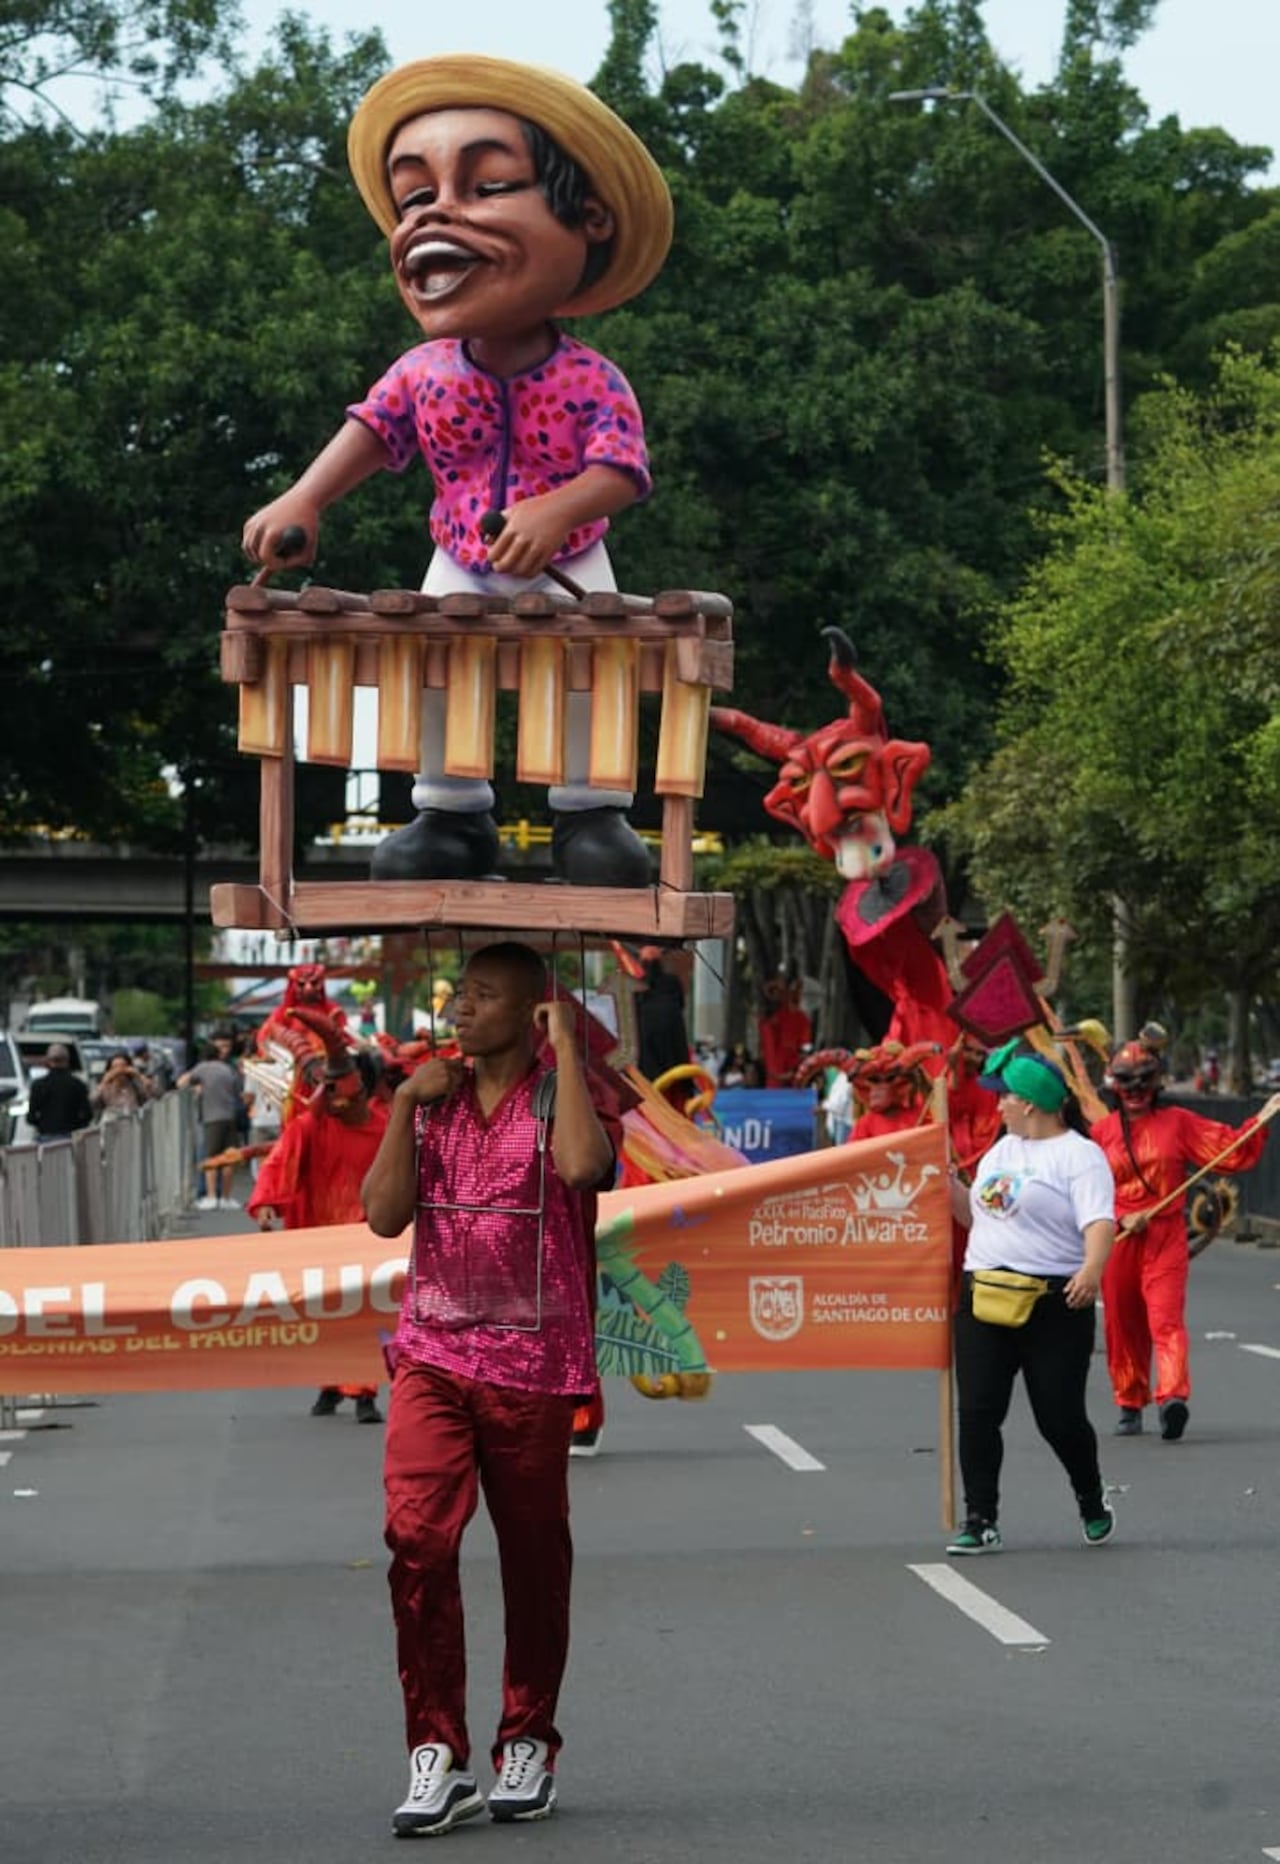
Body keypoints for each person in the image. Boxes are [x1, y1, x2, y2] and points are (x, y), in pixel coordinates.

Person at [242, 55, 674, 889]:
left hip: (573, 560)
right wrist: (304, 497)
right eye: (415, 197)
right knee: (439, 667)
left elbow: (620, 469)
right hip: (458, 560)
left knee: (591, 673)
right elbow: (371, 429)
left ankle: (590, 812)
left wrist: (557, 510)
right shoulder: (423, 371)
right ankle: (447, 809)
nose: (436, 213)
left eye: (487, 185)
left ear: (587, 220)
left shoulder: (592, 378)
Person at [362, 941, 619, 1836]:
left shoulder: (561, 1097)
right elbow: (383, 1215)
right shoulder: (429, 1103)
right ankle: (436, 1750)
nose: (460, 1010)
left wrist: (572, 1056)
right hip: (433, 1354)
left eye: (482, 997)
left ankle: (527, 1738)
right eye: (459, 995)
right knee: (415, 1540)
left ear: (529, 1012)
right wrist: (401, 1104)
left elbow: (585, 1170)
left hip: (534, 1366)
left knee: (532, 1556)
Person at [946, 1038, 1117, 1556]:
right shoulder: (1002, 1150)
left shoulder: (1080, 1157)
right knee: (977, 1412)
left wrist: (1091, 1269)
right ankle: (981, 1518)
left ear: (1030, 1103)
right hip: (984, 1296)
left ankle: (1090, 1498)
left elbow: (1100, 1221)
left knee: (1059, 1417)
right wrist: (945, 1182)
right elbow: (978, 1217)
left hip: (1053, 1303)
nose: (997, 1105)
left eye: (1003, 1097)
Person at [1092, 1032, 1280, 1441]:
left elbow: (1227, 1149)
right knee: (1122, 1321)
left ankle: (1171, 1397)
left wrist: (1260, 1121)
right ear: (1114, 1085)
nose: (1137, 1089)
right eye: (1127, 1080)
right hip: (1119, 1238)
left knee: (1166, 1318)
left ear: (1156, 1081)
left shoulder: (1178, 1123)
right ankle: (1129, 1400)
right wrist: (1122, 1217)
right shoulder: (1101, 1134)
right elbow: (1086, 1192)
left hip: (1164, 1235)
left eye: (1144, 1079)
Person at [248, 1050, 388, 1425]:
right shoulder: (311, 1126)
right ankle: (329, 1384)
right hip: (320, 1239)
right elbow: (280, 1160)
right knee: (326, 1315)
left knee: (364, 1314)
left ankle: (363, 1391)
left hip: (367, 1238)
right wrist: (266, 1202)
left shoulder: (387, 1128)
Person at [178, 1035, 246, 1210]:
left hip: (211, 1117)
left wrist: (196, 1088)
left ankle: (210, 1196)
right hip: (229, 1116)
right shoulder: (228, 1069)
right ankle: (226, 1197)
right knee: (229, 1158)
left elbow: (181, 1083)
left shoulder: (203, 1068)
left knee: (212, 1158)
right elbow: (239, 1089)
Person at [28, 1043, 92, 1141]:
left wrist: (41, 1124)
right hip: (70, 1137)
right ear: (67, 1060)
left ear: (48, 1061)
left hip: (46, 1137)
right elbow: (87, 1114)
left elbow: (31, 1117)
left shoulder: (38, 1085)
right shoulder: (78, 1085)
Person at [91, 1050, 155, 1121]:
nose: (120, 1071)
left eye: (123, 1066)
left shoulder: (135, 1084)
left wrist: (139, 1076)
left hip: (134, 1123)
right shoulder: (105, 1087)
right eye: (115, 1067)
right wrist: (104, 1081)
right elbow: (93, 1101)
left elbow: (155, 1095)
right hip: (113, 1125)